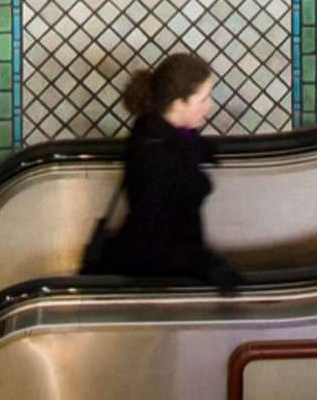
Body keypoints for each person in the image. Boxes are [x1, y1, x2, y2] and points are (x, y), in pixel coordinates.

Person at [97, 51, 241, 291]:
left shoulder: (159, 132)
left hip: (173, 274)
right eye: (203, 99)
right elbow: (151, 245)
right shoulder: (156, 159)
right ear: (178, 104)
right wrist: (208, 265)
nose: (210, 105)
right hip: (158, 285)